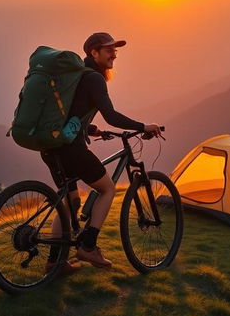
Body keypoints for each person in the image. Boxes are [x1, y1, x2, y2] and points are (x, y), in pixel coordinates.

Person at [41, 32, 162, 273]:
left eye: (115, 50)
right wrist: (143, 126)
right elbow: (112, 115)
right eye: (109, 50)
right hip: (71, 149)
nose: (114, 54)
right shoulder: (94, 78)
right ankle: (88, 246)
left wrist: (92, 129)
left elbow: (71, 110)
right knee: (107, 189)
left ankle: (55, 262)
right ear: (93, 53)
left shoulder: (75, 75)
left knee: (70, 202)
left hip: (49, 145)